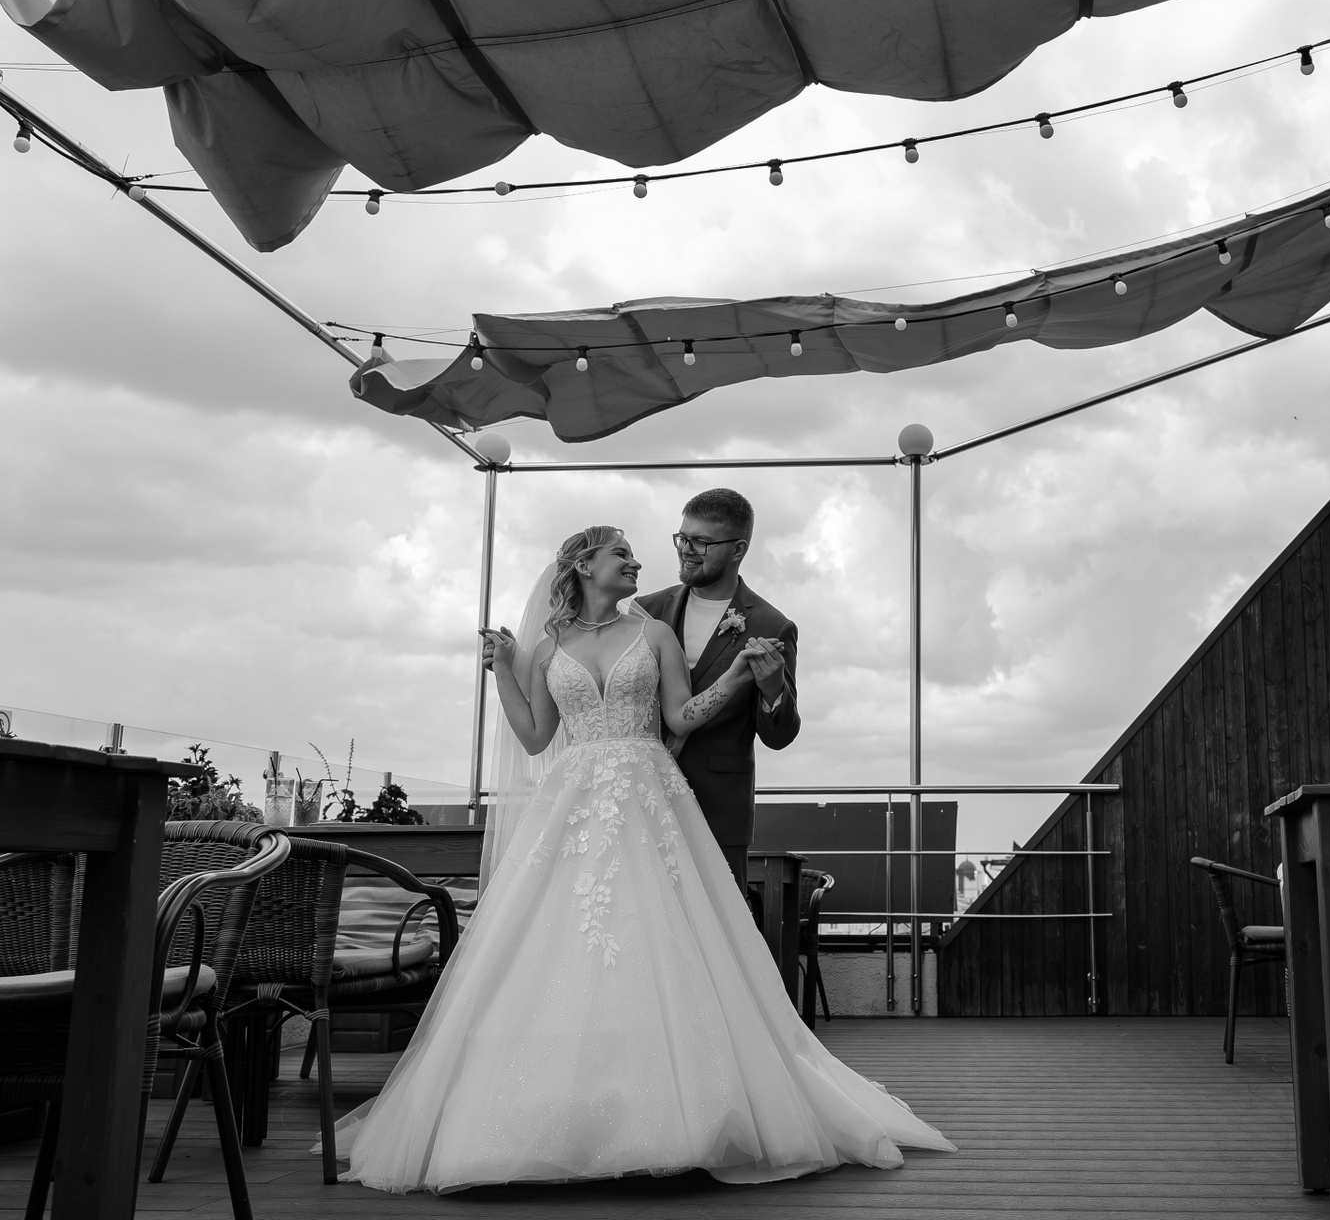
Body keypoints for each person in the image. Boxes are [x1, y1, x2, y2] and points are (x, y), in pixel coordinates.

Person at [330, 525, 953, 1194]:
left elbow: (681, 719)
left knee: (659, 938)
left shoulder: (653, 633)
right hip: (572, 808)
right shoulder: (549, 646)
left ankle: (677, 1115)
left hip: (648, 801)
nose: (637, 562)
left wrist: (739, 675)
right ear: (583, 565)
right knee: (558, 948)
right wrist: (503, 668)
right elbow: (535, 736)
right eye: (621, 554)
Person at [634, 489, 798, 891]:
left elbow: (779, 737)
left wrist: (772, 690)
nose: (686, 550)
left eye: (701, 542)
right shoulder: (643, 611)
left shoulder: (772, 625)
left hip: (718, 808)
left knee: (720, 923)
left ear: (738, 549)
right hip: (638, 799)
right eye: (682, 538)